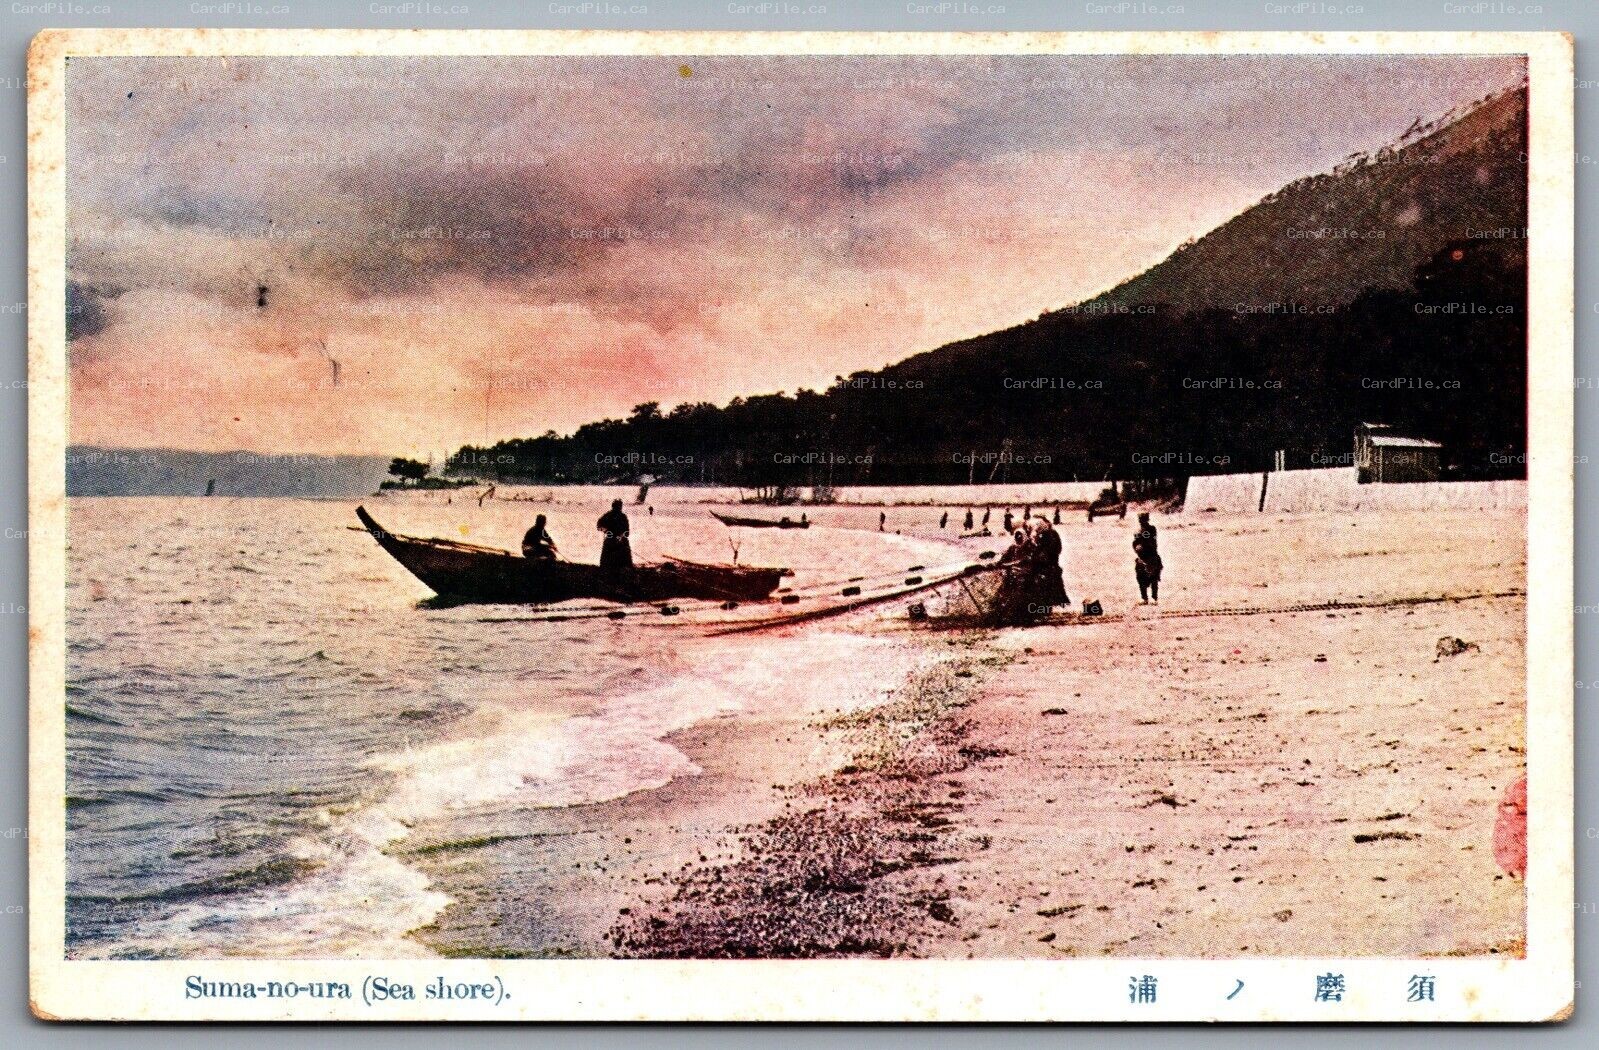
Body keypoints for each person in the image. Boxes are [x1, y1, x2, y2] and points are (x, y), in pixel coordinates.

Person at [1029, 517, 1068, 609]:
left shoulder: (1048, 535)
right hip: (1051, 563)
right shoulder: (1049, 534)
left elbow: (1049, 549)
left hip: (1049, 563)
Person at [1133, 511, 1162, 603]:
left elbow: (1148, 540)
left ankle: (1153, 598)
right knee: (1141, 578)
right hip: (1142, 557)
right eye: (1141, 520)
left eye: (1143, 519)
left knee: (1153, 578)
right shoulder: (1140, 530)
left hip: (1150, 556)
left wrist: (1140, 543)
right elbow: (1136, 542)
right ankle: (1145, 598)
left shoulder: (1150, 529)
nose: (1142, 521)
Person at [597, 499, 632, 571]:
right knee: (606, 563)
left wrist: (621, 537)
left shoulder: (623, 517)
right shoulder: (607, 516)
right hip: (610, 540)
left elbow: (627, 532)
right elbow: (599, 526)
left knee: (624, 564)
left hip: (622, 542)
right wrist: (606, 530)